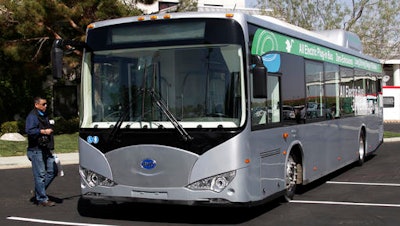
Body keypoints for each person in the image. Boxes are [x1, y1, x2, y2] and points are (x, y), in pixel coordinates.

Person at [25, 97, 57, 207]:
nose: (46, 106)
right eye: (43, 104)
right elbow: (29, 130)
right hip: (35, 150)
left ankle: (38, 190)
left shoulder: (44, 116)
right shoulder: (32, 116)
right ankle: (42, 199)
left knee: (53, 170)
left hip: (45, 148)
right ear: (36, 105)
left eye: (46, 104)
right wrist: (43, 131)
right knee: (40, 175)